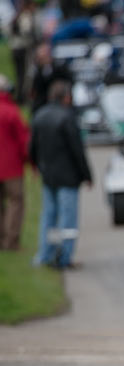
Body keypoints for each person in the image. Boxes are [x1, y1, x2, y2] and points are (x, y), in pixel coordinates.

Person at [30, 80, 93, 269]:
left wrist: (36, 166)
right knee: (68, 221)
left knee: (49, 218)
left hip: (48, 176)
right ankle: (64, 257)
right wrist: (87, 175)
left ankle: (45, 254)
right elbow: (77, 150)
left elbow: (33, 147)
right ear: (66, 97)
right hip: (68, 178)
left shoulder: (39, 116)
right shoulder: (67, 117)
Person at [0, 74, 30, 250]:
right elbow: (23, 140)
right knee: (15, 202)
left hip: (9, 166)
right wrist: (29, 160)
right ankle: (11, 241)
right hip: (11, 168)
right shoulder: (11, 111)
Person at [6, 0, 37, 104]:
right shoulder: (25, 16)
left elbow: (9, 30)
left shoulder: (16, 15)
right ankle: (22, 97)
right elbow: (26, 31)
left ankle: (19, 96)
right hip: (23, 48)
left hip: (15, 48)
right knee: (24, 74)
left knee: (19, 73)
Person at [29, 43, 72, 114]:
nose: (41, 60)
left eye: (44, 57)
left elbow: (68, 82)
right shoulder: (38, 71)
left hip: (59, 99)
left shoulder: (59, 68)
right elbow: (35, 90)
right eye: (40, 58)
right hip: (43, 101)